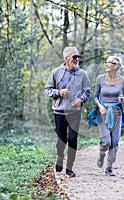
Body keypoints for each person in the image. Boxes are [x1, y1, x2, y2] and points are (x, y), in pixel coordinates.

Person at [44, 47, 91, 177]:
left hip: (75, 112)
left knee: (73, 139)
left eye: (78, 57)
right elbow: (47, 89)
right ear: (66, 58)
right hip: (59, 112)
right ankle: (60, 157)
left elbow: (87, 91)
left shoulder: (82, 74)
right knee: (61, 140)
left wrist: (81, 100)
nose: (77, 59)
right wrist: (58, 92)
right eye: (74, 57)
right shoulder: (56, 72)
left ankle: (69, 168)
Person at [93, 55, 124, 176]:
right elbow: (95, 97)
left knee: (114, 141)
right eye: (106, 62)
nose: (107, 64)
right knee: (106, 141)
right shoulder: (100, 79)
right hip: (103, 113)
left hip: (117, 113)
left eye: (110, 62)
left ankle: (109, 168)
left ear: (116, 66)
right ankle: (101, 154)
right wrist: (100, 106)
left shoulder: (122, 80)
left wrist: (123, 99)